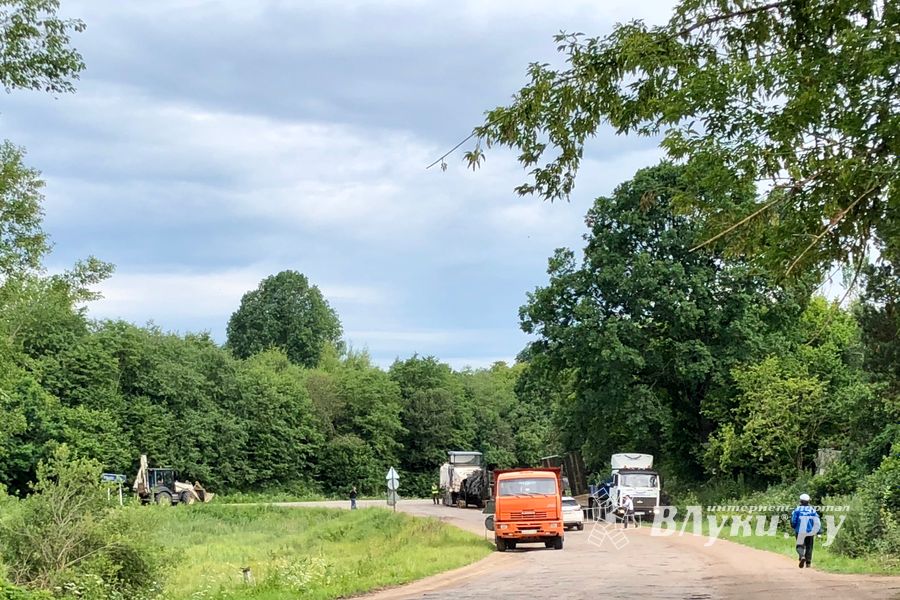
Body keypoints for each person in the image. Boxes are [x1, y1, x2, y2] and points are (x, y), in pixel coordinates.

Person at [790, 493, 821, 568]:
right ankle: (808, 563)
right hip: (810, 531)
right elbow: (817, 521)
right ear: (808, 501)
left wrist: (793, 526)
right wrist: (819, 531)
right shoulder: (812, 510)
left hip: (800, 531)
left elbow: (793, 520)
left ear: (800, 501)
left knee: (800, 546)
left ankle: (802, 556)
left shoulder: (797, 510)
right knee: (809, 546)